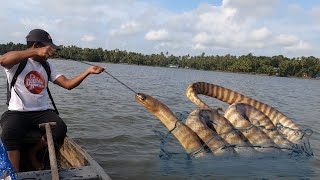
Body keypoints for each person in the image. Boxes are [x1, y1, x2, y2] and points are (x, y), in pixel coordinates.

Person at [0, 29, 105, 172]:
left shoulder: (47, 66)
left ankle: (32, 153)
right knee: (9, 134)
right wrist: (35, 53)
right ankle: (14, 174)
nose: (50, 53)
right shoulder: (18, 62)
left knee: (61, 128)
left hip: (42, 112)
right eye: (47, 48)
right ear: (36, 45)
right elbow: (3, 60)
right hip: (18, 112)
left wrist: (88, 72)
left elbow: (68, 85)